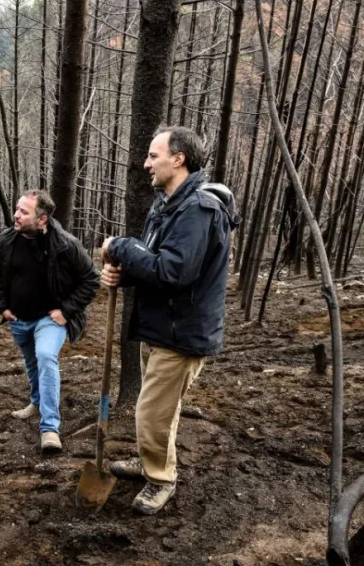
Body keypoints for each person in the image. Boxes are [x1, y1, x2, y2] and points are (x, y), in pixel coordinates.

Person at [100, 126, 239, 515]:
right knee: (159, 410)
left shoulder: (198, 210)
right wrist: (124, 273)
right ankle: (151, 462)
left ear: (178, 159)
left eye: (153, 155)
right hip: (162, 325)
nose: (146, 163)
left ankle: (161, 478)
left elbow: (174, 272)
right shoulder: (167, 204)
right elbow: (155, 260)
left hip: (183, 332)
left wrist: (121, 247)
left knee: (151, 412)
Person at [0, 190, 99, 454]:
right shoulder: (6, 240)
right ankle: (37, 402)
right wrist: (2, 307)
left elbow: (91, 279)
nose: (16, 215)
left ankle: (50, 428)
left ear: (42, 219)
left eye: (23, 212)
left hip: (49, 319)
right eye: (17, 209)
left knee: (45, 356)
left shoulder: (65, 244)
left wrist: (66, 311)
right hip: (18, 318)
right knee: (32, 362)